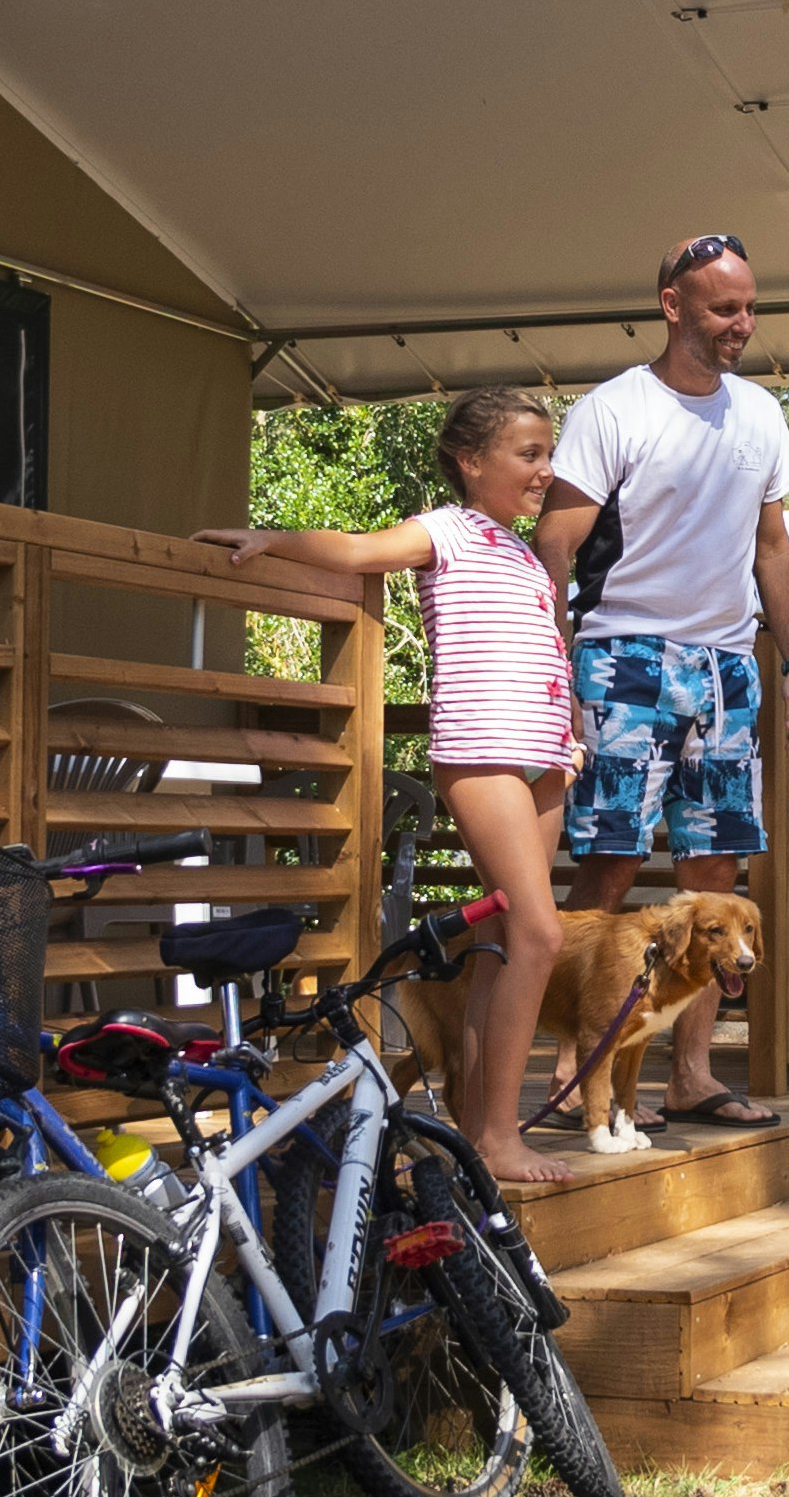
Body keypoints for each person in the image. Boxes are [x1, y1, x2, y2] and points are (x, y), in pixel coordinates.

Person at [196, 389, 576, 1185]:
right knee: (540, 933)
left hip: (545, 753)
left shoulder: (522, 553)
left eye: (549, 454)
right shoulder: (451, 528)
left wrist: (571, 731)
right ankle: (501, 1137)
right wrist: (273, 539)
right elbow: (359, 550)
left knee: (504, 945)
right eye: (528, 454)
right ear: (473, 462)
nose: (546, 470)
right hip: (484, 751)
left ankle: (477, 1128)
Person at [531, 233, 789, 1129]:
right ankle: (580, 1071)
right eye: (725, 308)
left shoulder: (760, 415)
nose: (743, 324)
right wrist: (555, 660)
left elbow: (772, 547)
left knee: (718, 874)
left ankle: (689, 1075)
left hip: (728, 666)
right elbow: (555, 542)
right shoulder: (614, 410)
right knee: (610, 863)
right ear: (673, 306)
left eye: (749, 307)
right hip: (625, 655)